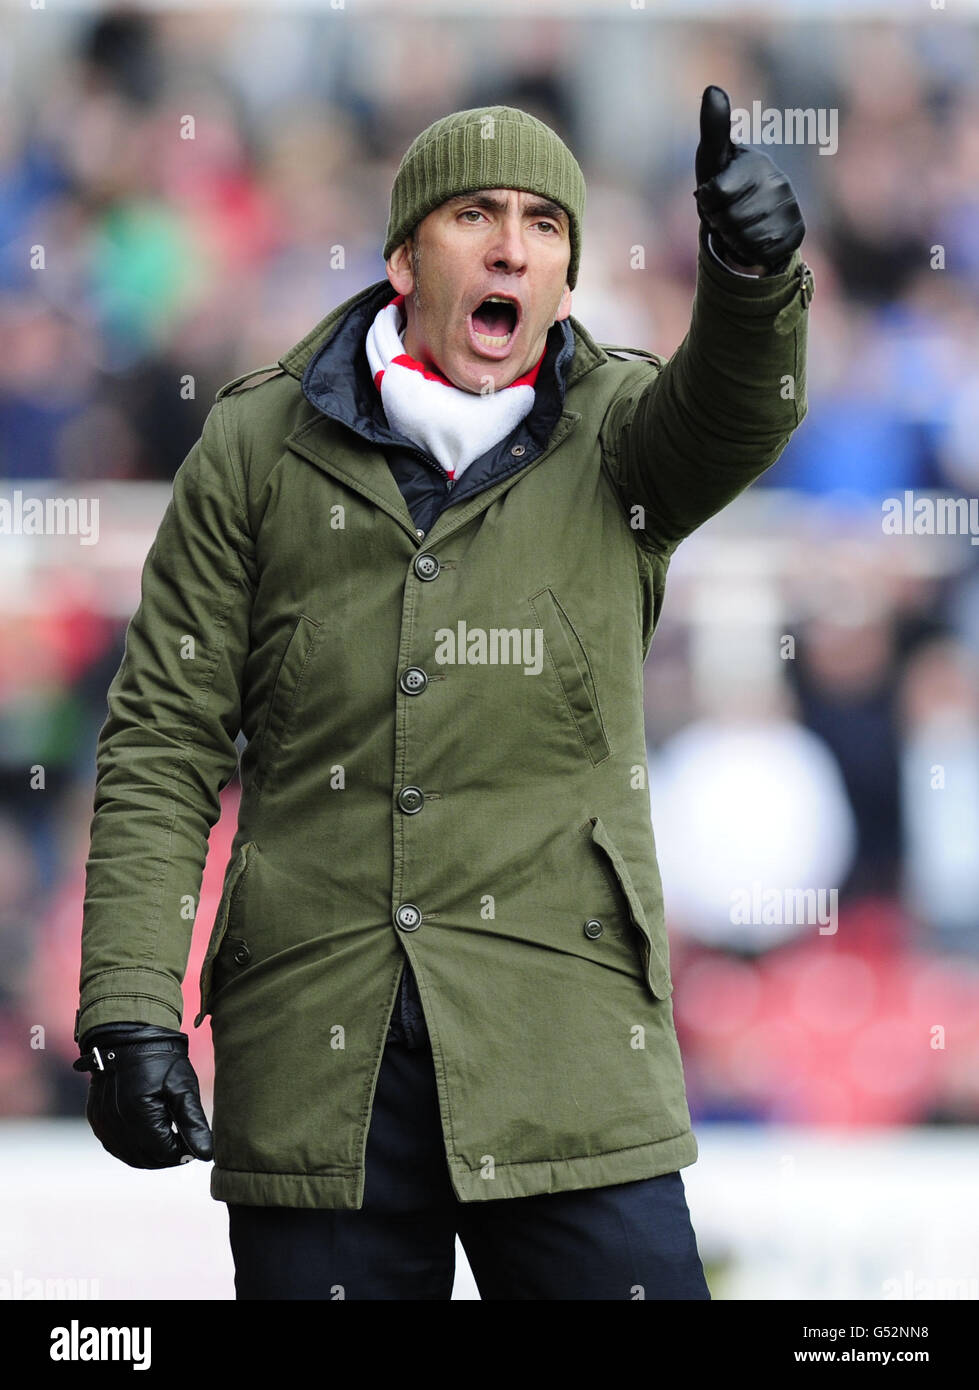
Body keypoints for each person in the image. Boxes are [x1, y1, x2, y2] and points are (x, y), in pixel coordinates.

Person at [73, 90, 811, 1300]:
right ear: (405, 256)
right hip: (318, 1050)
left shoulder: (624, 431)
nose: (513, 244)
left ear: (567, 279)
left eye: (543, 225)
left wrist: (750, 276)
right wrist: (130, 1007)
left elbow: (741, 411)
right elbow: (162, 739)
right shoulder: (254, 446)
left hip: (566, 1039)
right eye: (476, 214)